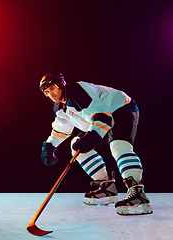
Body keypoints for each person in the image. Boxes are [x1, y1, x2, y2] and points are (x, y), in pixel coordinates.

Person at [39, 70, 153, 215]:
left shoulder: (78, 92)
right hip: (101, 119)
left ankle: (137, 192)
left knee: (118, 145)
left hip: (121, 109)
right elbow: (61, 130)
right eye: (47, 92)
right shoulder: (60, 107)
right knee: (76, 145)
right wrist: (50, 146)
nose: (50, 94)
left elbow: (103, 116)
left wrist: (92, 137)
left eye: (52, 89)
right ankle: (107, 187)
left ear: (60, 85)